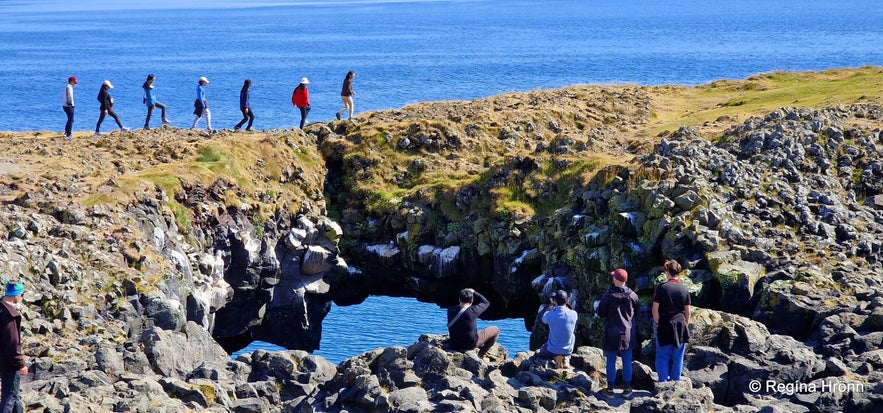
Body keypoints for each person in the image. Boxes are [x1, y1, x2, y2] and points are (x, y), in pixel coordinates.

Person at [598, 268, 639, 398]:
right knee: (627, 361)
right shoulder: (633, 295)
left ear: (616, 279)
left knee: (611, 361)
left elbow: (600, 313)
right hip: (627, 332)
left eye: (613, 277)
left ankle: (610, 390)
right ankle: (627, 389)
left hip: (611, 332)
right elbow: (637, 312)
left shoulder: (608, 296)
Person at [652, 259, 691, 382]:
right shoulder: (684, 289)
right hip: (680, 322)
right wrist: (685, 324)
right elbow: (688, 311)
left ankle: (663, 383)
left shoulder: (661, 288)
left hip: (665, 322)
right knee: (678, 357)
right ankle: (675, 383)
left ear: (667, 272)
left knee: (662, 356)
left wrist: (659, 322)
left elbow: (655, 309)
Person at [447, 288, 499, 359]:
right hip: (470, 345)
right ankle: (481, 354)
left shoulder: (450, 310)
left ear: (459, 299)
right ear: (471, 301)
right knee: (495, 329)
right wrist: (474, 292)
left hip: (454, 344)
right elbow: (486, 303)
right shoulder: (473, 311)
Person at [0, 281, 27, 413]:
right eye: (21, 293)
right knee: (10, 395)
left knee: (14, 396)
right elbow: (12, 342)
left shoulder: (1, 307)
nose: (22, 296)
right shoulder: (10, 315)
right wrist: (20, 363)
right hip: (8, 361)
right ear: (16, 294)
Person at [536, 289, 577, 368]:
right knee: (572, 335)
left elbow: (542, 318)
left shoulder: (550, 315)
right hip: (567, 350)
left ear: (555, 301)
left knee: (543, 349)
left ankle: (557, 358)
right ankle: (566, 359)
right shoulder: (574, 314)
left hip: (552, 350)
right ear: (567, 301)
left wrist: (550, 305)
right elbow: (568, 309)